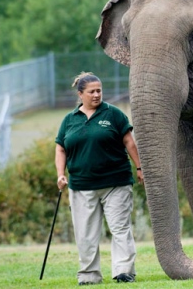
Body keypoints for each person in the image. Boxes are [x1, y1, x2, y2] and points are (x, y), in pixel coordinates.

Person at [55, 72, 144, 285]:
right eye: (91, 92)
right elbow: (60, 149)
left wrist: (139, 168)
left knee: (120, 228)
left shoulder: (113, 114)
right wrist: (60, 174)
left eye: (99, 91)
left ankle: (124, 271)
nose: (96, 95)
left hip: (116, 183)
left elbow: (129, 142)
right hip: (81, 186)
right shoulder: (69, 120)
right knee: (85, 234)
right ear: (80, 94)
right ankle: (89, 275)